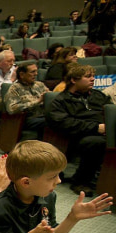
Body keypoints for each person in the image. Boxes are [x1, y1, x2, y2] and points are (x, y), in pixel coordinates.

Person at [48, 64, 109, 196]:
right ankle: (81, 181)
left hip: (105, 132)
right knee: (95, 142)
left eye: (93, 76)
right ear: (74, 80)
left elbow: (110, 112)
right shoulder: (61, 101)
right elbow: (63, 123)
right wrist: (96, 128)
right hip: (75, 137)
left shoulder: (98, 96)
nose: (93, 79)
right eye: (88, 77)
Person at [4, 62, 48, 139]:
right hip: (28, 118)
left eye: (36, 71)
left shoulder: (39, 85)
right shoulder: (15, 88)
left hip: (44, 114)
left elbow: (50, 97)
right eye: (32, 72)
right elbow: (12, 109)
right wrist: (37, 102)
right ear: (22, 74)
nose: (36, 74)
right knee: (50, 121)